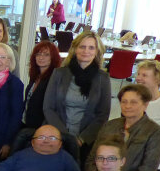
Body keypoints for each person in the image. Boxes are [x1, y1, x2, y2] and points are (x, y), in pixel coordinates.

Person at [43, 31, 111, 160]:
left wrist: (81, 139)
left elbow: (103, 114)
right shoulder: (59, 73)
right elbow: (48, 107)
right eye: (82, 46)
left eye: (91, 47)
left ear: (97, 51)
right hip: (57, 134)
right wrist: (63, 135)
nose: (86, 51)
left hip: (86, 139)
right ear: (75, 49)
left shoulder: (103, 78)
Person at [22, 41, 61, 129]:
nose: (41, 57)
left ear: (53, 58)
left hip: (41, 127)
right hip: (26, 123)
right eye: (38, 54)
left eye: (46, 55)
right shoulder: (35, 77)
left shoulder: (53, 79)